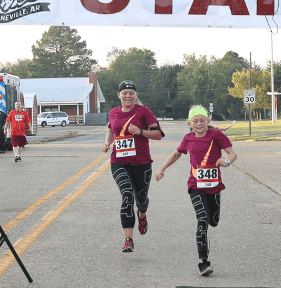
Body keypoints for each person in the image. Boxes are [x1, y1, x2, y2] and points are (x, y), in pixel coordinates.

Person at [154, 105, 237, 276]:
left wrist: (226, 161)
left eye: (202, 120)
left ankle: (205, 252)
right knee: (202, 219)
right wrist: (162, 168)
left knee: (213, 220)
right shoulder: (188, 139)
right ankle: (203, 262)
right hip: (195, 186)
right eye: (195, 121)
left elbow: (232, 153)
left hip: (214, 186)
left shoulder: (217, 135)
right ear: (189, 123)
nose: (199, 124)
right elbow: (177, 154)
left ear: (208, 121)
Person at [101, 80, 165, 252]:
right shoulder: (113, 112)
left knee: (141, 200)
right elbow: (111, 128)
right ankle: (128, 239)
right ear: (119, 95)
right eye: (124, 92)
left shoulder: (144, 112)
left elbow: (158, 134)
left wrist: (142, 132)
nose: (128, 95)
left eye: (131, 92)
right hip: (119, 162)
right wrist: (108, 143)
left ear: (136, 95)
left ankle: (142, 214)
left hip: (142, 163)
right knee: (127, 195)